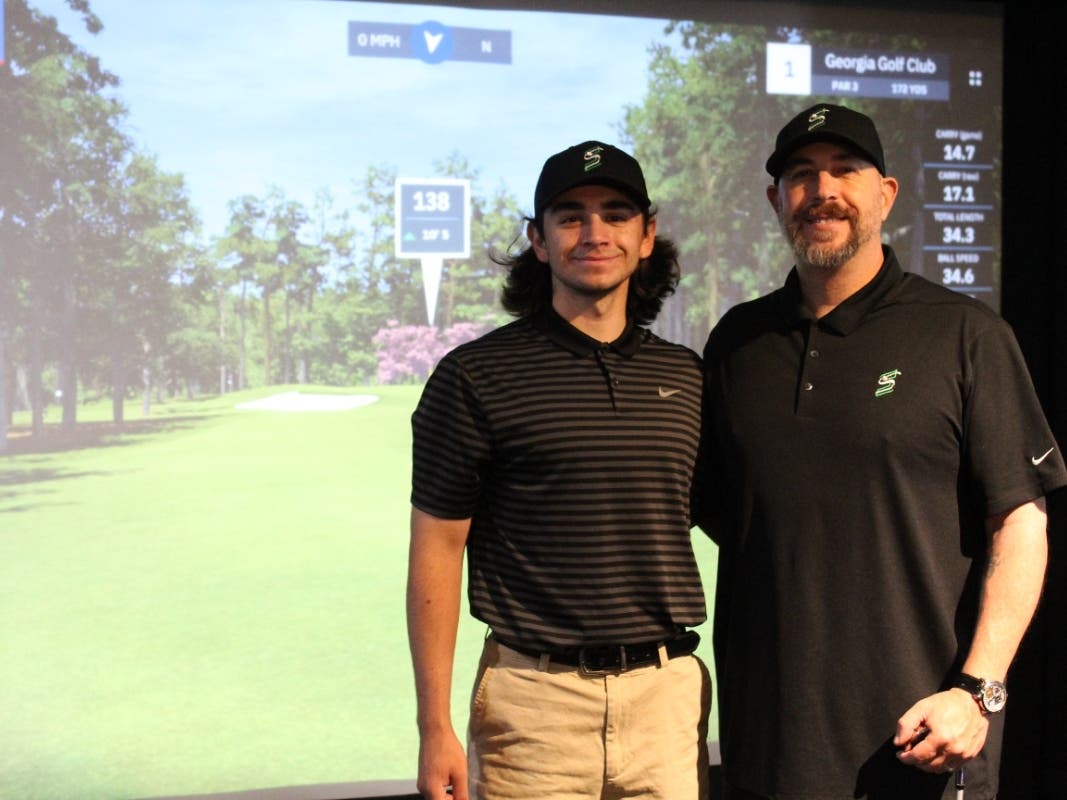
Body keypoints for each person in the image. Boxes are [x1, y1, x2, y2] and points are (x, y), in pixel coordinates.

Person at [699, 103, 1067, 800]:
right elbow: (733, 517)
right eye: (801, 175)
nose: (822, 191)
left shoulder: (964, 334)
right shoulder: (736, 345)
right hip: (767, 751)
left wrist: (976, 691)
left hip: (923, 743)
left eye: (845, 170)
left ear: (885, 194)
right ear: (775, 200)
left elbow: (1018, 523)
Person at [407, 140, 711, 800]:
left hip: (665, 700)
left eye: (615, 213)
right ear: (537, 240)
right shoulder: (474, 378)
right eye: (570, 215)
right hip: (531, 707)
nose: (594, 232)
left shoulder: (686, 377)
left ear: (647, 234)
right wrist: (434, 728)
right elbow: (436, 548)